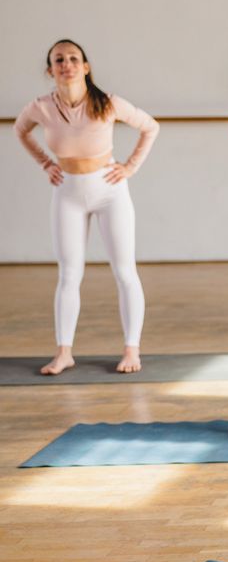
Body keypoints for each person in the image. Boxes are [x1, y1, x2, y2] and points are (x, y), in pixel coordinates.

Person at [14, 40, 159, 376]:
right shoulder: (41, 107)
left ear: (86, 66)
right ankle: (64, 352)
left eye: (73, 59)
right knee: (68, 274)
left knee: (125, 272)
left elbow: (150, 127)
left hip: (110, 192)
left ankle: (131, 349)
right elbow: (21, 131)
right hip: (67, 192)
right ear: (50, 70)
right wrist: (44, 163)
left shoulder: (108, 103)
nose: (67, 64)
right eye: (59, 60)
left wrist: (130, 167)